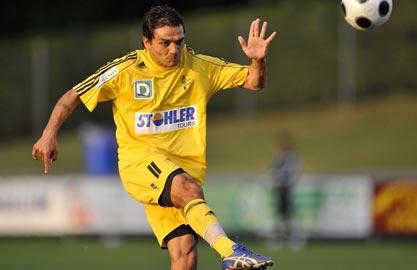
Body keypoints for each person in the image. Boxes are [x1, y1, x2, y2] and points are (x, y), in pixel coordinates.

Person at [32, 5, 276, 270]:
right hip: (140, 163)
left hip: (184, 170)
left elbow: (254, 82)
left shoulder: (200, 67)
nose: (174, 50)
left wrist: (258, 60)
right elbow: (72, 96)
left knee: (185, 255)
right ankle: (231, 252)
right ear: (146, 42)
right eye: (165, 43)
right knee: (188, 189)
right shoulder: (125, 70)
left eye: (179, 42)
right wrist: (49, 134)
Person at [270, 132, 301, 244]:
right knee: (280, 213)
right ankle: (280, 237)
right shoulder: (279, 157)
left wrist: (286, 182)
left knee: (290, 213)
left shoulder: (292, 157)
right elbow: (273, 172)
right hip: (280, 189)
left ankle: (293, 237)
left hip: (287, 188)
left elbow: (293, 173)